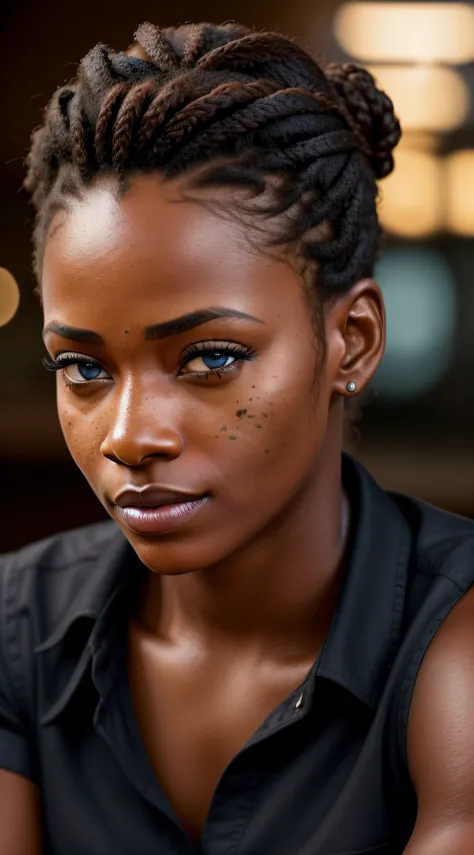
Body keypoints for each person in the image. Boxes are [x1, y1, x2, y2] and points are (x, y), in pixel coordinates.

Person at [1, 19, 474, 855]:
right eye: (82, 368)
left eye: (210, 357)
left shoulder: (454, 652)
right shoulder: (15, 627)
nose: (129, 435)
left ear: (351, 340)